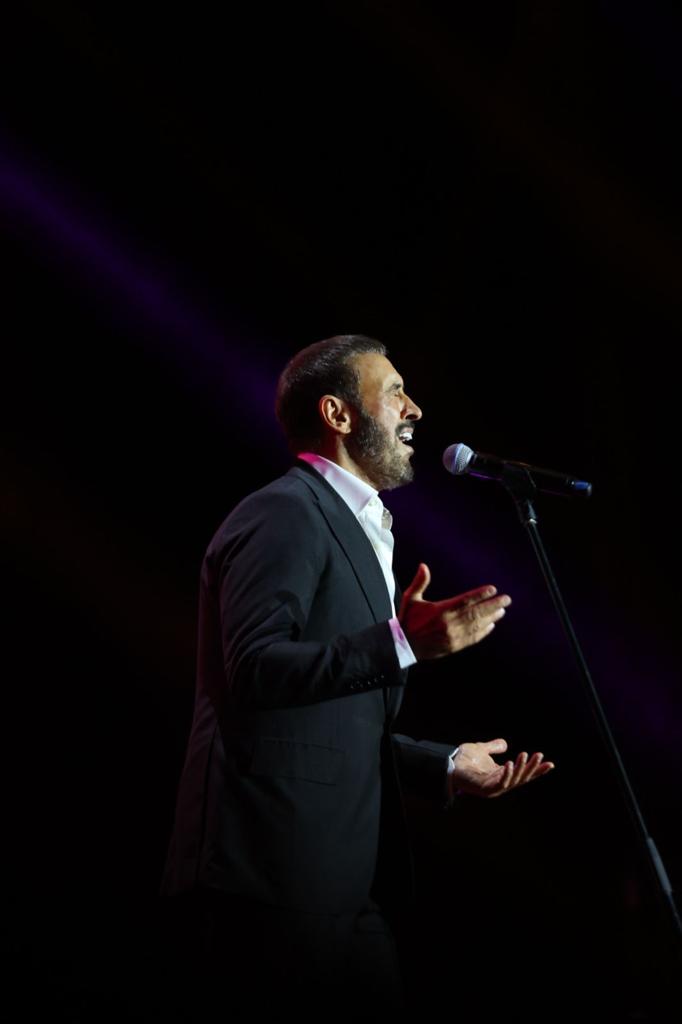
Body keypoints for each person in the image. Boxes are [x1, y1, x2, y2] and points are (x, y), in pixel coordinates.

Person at [160, 334, 554, 1017]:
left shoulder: (359, 525)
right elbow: (252, 670)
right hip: (264, 882)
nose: (415, 408)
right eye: (394, 391)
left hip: (341, 890)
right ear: (338, 414)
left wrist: (443, 765)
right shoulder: (285, 511)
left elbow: (327, 724)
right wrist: (401, 642)